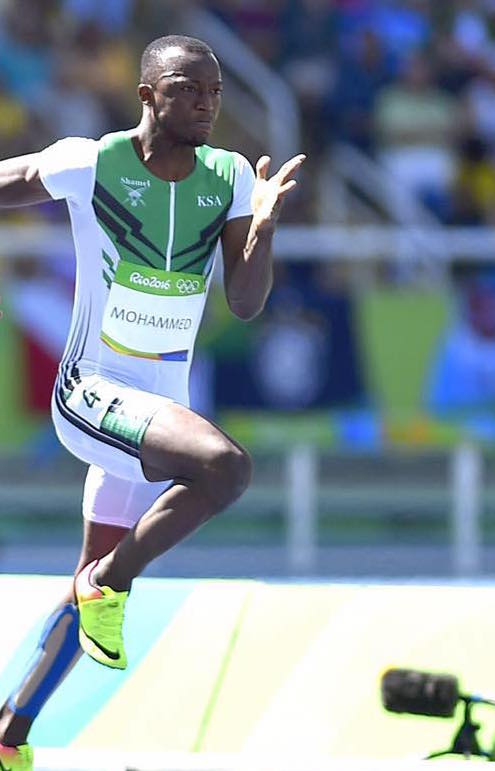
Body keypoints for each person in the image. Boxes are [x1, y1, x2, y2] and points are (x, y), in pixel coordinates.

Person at [0, 34, 305, 770]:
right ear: (147, 94)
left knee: (86, 593)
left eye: (215, 91)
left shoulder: (229, 176)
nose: (204, 102)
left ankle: (9, 733)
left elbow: (243, 298)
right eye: (186, 87)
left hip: (154, 417)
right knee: (224, 468)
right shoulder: (90, 161)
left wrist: (260, 231)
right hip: (91, 396)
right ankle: (111, 584)